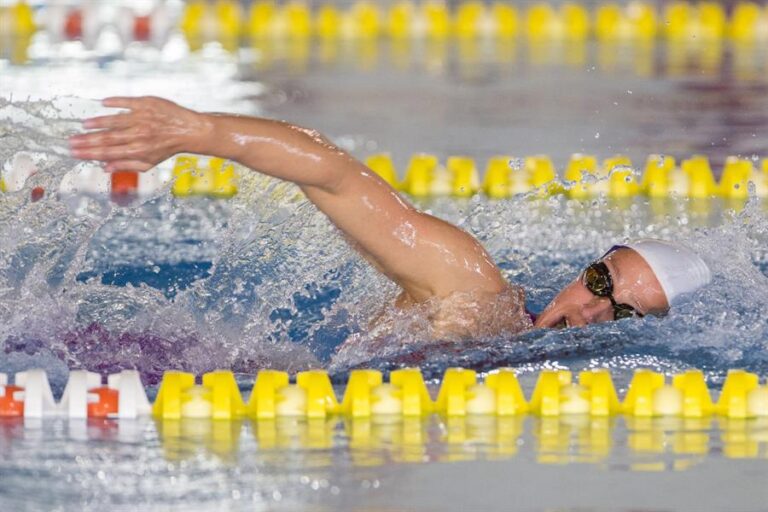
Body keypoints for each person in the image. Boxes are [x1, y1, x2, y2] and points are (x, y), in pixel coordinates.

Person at [68, 96, 711, 340]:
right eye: (602, 284)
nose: (593, 312)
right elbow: (338, 176)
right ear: (586, 268)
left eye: (624, 313)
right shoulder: (473, 289)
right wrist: (199, 130)